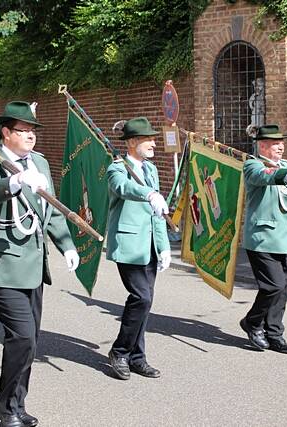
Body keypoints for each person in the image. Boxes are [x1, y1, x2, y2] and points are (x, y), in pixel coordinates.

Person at [0, 101, 79, 427]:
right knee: (23, 336)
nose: (31, 136)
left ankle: (16, 403)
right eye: (23, 130)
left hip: (33, 265)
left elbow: (50, 210)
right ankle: (6, 407)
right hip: (1, 265)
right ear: (6, 132)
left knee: (30, 340)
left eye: (33, 130)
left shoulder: (41, 163)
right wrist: (16, 182)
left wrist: (66, 245)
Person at [239, 124, 287, 354]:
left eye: (282, 142)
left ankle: (274, 333)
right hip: (262, 239)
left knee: (283, 290)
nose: (281, 147)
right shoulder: (253, 165)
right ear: (262, 145)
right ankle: (252, 323)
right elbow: (264, 177)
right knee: (273, 285)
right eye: (275, 143)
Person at [106, 117, 171, 380]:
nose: (154, 143)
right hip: (130, 244)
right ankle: (120, 351)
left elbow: (156, 213)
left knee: (145, 303)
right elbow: (122, 188)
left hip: (151, 245)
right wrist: (148, 194)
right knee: (141, 298)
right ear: (132, 142)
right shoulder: (116, 168)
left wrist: (164, 246)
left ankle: (136, 357)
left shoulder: (151, 169)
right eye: (148, 139)